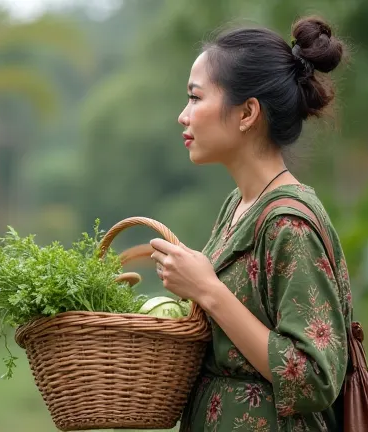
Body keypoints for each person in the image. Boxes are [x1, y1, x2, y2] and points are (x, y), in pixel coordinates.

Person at [148, 15, 353, 432]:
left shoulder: (290, 224)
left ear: (247, 113)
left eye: (195, 98)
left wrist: (207, 289)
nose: (183, 116)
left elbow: (314, 376)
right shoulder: (239, 206)